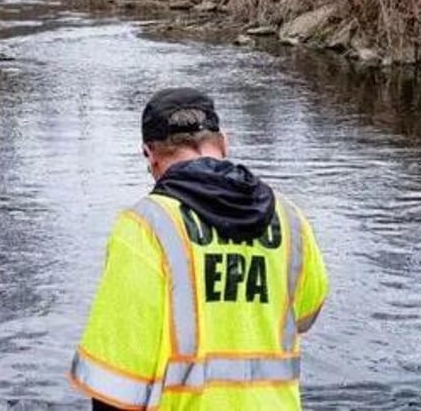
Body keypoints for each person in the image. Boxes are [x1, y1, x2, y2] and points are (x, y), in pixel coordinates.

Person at [69, 87, 329, 410]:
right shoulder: (290, 219)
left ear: (150, 154)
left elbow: (116, 382)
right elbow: (306, 313)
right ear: (223, 142)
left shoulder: (144, 228)